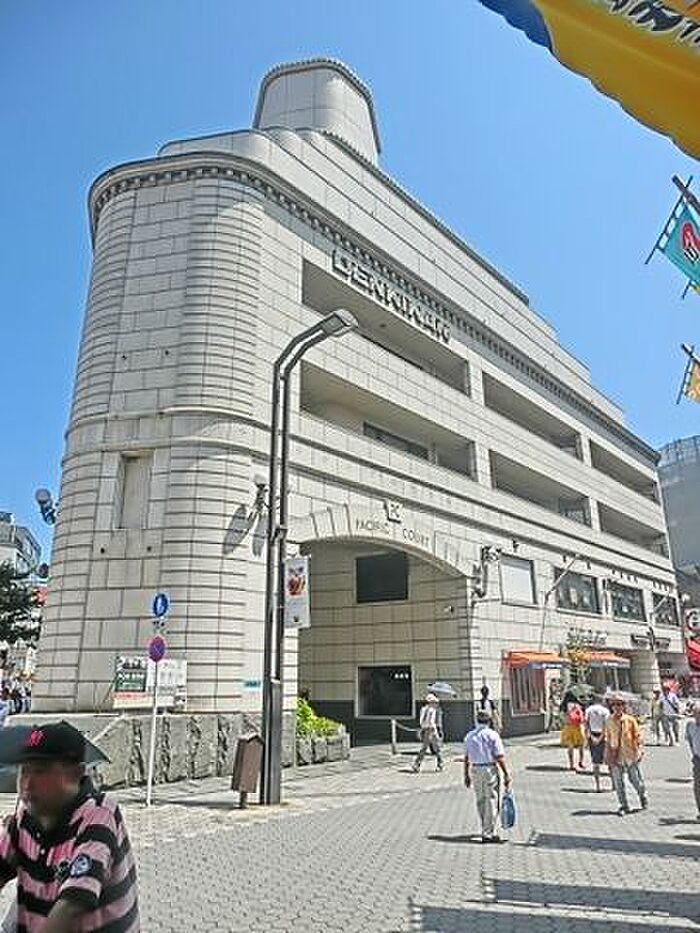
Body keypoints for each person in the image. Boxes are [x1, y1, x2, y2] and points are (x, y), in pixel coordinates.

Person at [0, 721, 140, 931]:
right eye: (24, 771)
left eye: (41, 771)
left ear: (76, 774)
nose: (27, 784)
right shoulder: (25, 816)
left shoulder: (99, 814)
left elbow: (72, 906)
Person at [463, 709, 512, 843]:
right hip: (489, 768)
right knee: (491, 799)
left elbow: (466, 757)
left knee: (481, 800)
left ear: (476, 720)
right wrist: (506, 773)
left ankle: (487, 828)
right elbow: (499, 756)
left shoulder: (469, 736)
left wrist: (466, 775)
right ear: (489, 720)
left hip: (475, 769)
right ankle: (488, 833)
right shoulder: (492, 735)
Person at [605, 697, 648, 816]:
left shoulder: (630, 720)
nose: (617, 707)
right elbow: (607, 738)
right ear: (612, 707)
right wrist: (607, 754)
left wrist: (639, 751)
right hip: (615, 755)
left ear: (623, 706)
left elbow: (638, 737)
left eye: (620, 704)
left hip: (630, 754)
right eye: (615, 705)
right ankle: (624, 805)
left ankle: (642, 796)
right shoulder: (608, 720)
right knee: (618, 783)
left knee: (635, 781)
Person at [412, 693, 443, 772]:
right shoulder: (430, 710)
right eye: (434, 702)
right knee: (430, 747)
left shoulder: (425, 709)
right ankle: (418, 764)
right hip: (430, 729)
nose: (435, 703)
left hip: (428, 729)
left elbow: (422, 721)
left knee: (432, 747)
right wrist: (435, 730)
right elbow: (430, 721)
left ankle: (418, 764)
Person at [585, 695, 610, 792]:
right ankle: (613, 784)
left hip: (592, 735)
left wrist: (591, 736)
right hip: (603, 736)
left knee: (595, 762)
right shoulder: (605, 711)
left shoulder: (589, 710)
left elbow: (586, 723)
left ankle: (597, 785)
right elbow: (606, 725)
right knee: (609, 760)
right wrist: (601, 737)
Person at [560, 691, 586, 771]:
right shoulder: (577, 705)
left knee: (570, 746)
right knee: (581, 746)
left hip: (568, 727)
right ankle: (581, 762)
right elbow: (582, 717)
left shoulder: (564, 706)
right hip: (578, 727)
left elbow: (562, 717)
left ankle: (571, 764)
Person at [685, 701, 700, 821]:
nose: (697, 716)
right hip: (697, 759)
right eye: (696, 713)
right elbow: (690, 740)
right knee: (697, 787)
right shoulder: (690, 725)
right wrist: (694, 754)